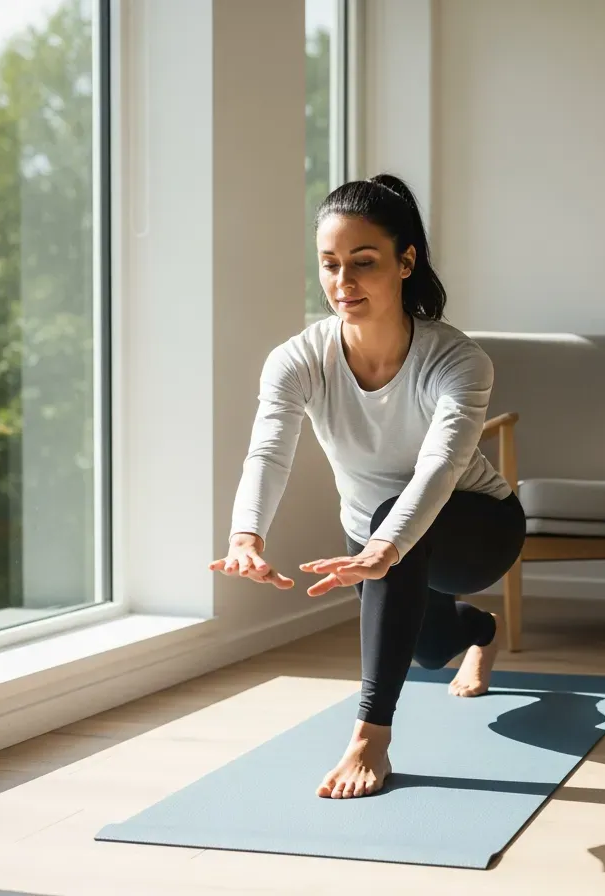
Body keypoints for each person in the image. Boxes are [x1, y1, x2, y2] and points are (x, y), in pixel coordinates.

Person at [209, 173, 526, 800]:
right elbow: (269, 449)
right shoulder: (298, 359)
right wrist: (247, 534)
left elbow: (440, 464)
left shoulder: (458, 361)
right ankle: (482, 633)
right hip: (380, 546)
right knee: (431, 649)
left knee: (390, 518)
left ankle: (369, 739)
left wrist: (387, 545)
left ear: (405, 262)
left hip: (478, 528)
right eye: (329, 265)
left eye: (363, 262)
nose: (342, 283)